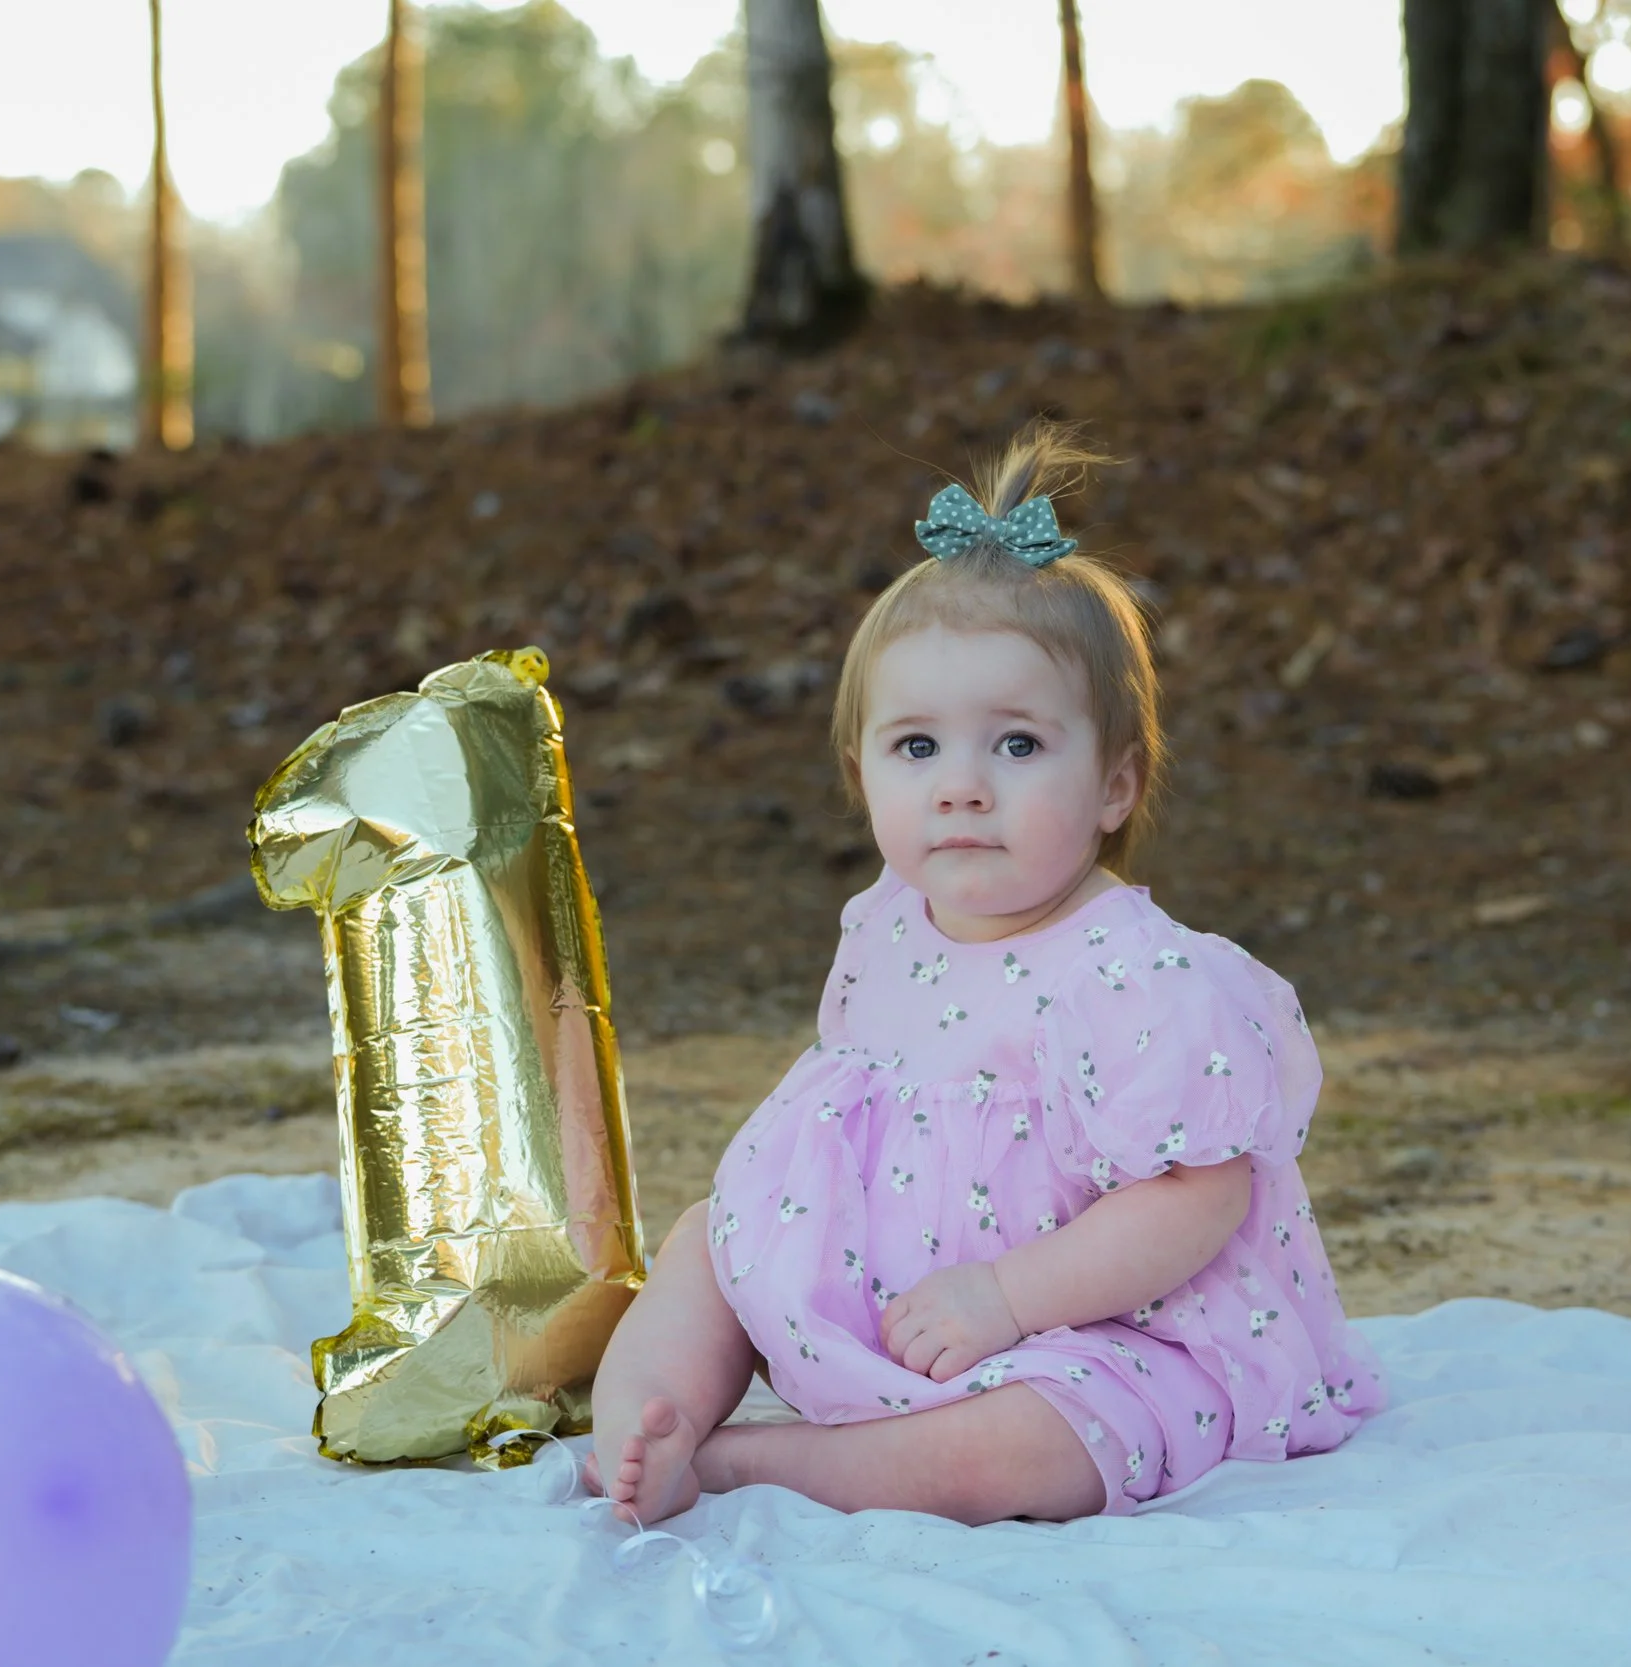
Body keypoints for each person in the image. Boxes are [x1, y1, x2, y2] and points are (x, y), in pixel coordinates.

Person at [587, 418, 1383, 1526]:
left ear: (1113, 785)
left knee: (1025, 1452)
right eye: (917, 747)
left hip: (1098, 1329)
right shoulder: (886, 923)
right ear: (859, 770)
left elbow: (1199, 1199)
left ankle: (747, 1466)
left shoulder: (1143, 975)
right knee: (701, 1242)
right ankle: (644, 1423)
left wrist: (1007, 1297)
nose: (960, 785)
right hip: (896, 1299)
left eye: (1015, 744)